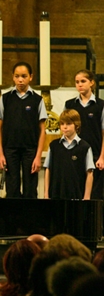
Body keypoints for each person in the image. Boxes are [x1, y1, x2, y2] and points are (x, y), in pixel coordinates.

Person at [0, 62, 47, 198]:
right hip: (10, 149)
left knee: (30, 189)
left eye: (24, 76)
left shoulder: (37, 100)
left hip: (30, 150)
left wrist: (38, 156)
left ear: (31, 77)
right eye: (17, 76)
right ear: (13, 77)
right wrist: (0, 153)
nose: (20, 80)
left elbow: (42, 130)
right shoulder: (5, 99)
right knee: (12, 189)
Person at [64, 69, 104, 199]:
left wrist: (102, 157)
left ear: (91, 82)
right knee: (75, 192)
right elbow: (65, 131)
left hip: (95, 153)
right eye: (77, 82)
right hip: (75, 154)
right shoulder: (70, 104)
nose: (79, 84)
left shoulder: (100, 105)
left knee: (94, 194)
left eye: (83, 81)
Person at [44, 109, 94, 200]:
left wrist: (87, 197)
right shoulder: (54, 146)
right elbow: (48, 169)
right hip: (56, 195)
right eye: (62, 124)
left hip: (76, 195)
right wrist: (46, 194)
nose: (65, 127)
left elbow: (89, 173)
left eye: (68, 124)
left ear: (77, 125)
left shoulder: (85, 147)